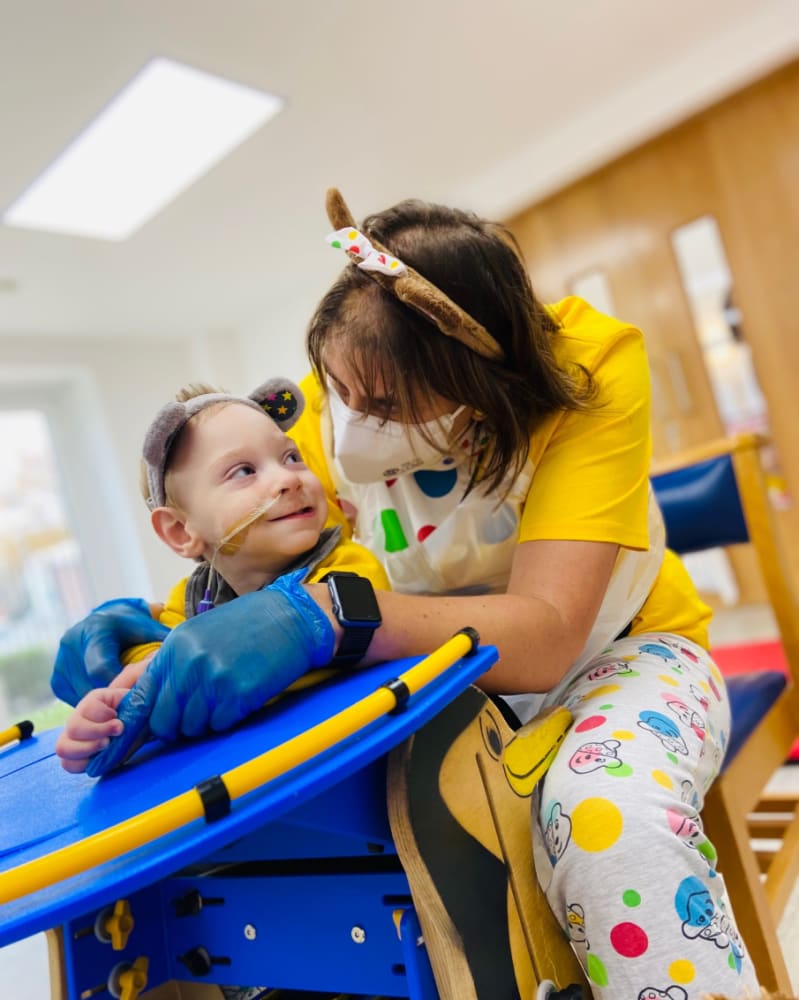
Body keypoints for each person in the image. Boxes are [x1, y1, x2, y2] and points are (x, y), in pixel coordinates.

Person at [52, 188, 760, 1000]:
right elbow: (247, 543)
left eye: (382, 405)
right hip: (440, 680)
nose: (338, 429)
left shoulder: (587, 370)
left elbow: (548, 635)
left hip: (615, 653)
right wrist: (153, 624)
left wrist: (328, 616)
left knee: (605, 820)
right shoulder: (343, 385)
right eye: (336, 392)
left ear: (479, 393)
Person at [54, 376, 388, 775]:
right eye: (244, 471)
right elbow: (163, 658)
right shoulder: (194, 598)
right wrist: (107, 712)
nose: (288, 478)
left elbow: (363, 616)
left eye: (291, 457)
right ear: (181, 532)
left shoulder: (344, 564)